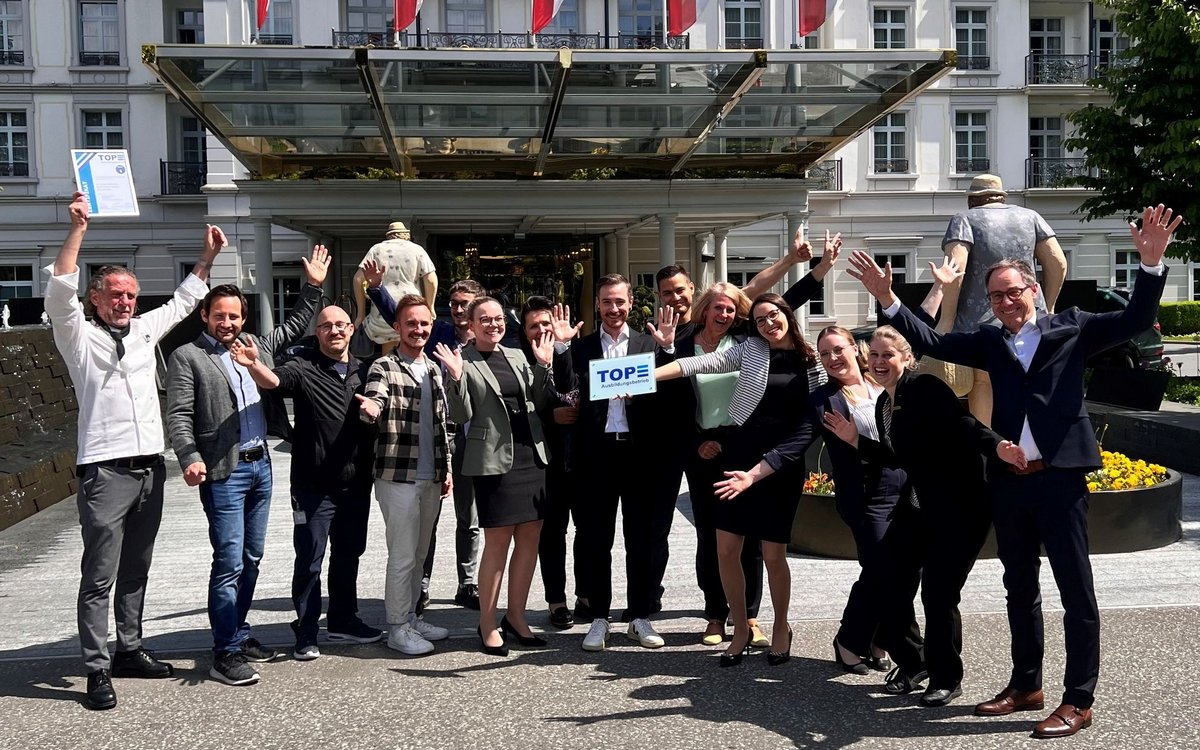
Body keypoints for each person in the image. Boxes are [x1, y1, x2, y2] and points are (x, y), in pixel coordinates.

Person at [847, 203, 1181, 738]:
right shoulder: (989, 341)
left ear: (1033, 289)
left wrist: (1150, 264)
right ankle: (1026, 684)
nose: (1005, 303)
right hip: (1009, 482)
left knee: (1075, 590)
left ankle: (1079, 699)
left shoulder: (1073, 327)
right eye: (996, 296)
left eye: (1012, 292)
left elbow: (1136, 320)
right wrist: (888, 299)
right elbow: (932, 341)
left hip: (1060, 477)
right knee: (1018, 587)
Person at [45, 192, 224, 710]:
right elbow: (59, 291)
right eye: (116, 294)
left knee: (137, 568)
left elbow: (184, 302)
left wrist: (207, 257)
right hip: (105, 472)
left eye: (131, 295)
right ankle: (96, 667)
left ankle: (129, 648)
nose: (125, 302)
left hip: (150, 470)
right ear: (96, 298)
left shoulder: (145, 331)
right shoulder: (78, 337)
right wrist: (78, 229)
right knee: (99, 575)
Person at [823, 324, 1021, 707]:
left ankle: (946, 677)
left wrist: (998, 447)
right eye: (874, 355)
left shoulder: (925, 388)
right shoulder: (884, 404)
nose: (880, 362)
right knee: (888, 578)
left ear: (907, 358)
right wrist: (855, 440)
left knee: (937, 593)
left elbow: (965, 424)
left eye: (888, 355)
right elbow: (897, 455)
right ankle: (915, 662)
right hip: (918, 506)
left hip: (961, 508)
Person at [166, 247, 327, 686]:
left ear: (243, 318)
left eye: (234, 316)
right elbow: (178, 415)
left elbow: (295, 325)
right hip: (224, 471)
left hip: (261, 467)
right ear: (204, 315)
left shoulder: (254, 346)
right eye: (219, 315)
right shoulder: (188, 357)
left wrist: (313, 287)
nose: (228, 323)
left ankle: (237, 632)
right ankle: (225, 652)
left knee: (252, 558)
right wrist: (189, 457)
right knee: (229, 561)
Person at [655, 293, 819, 667]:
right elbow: (697, 363)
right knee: (726, 550)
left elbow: (811, 423)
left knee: (773, 555)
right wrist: (644, 377)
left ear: (786, 314)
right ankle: (741, 628)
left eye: (773, 315)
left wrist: (769, 465)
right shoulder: (751, 350)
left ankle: (780, 626)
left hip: (780, 467)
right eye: (759, 320)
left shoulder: (811, 360)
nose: (768, 324)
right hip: (737, 459)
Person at [229, 304, 384, 661]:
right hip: (313, 486)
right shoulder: (303, 366)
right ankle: (306, 629)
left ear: (351, 329)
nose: (335, 331)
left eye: (341, 325)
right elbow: (274, 381)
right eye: (326, 326)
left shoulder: (366, 370)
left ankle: (344, 619)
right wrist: (253, 365)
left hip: (356, 483)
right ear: (317, 332)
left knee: (349, 553)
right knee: (311, 559)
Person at [554, 273, 677, 651]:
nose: (613, 308)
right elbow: (566, 387)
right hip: (597, 455)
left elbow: (667, 395)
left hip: (639, 455)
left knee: (640, 539)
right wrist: (561, 347)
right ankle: (599, 617)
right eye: (607, 301)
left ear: (631, 303)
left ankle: (639, 615)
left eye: (620, 301)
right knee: (596, 539)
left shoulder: (648, 343)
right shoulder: (583, 346)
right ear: (597, 305)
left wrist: (668, 350)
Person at [434, 297, 557, 655]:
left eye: (498, 318)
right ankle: (487, 622)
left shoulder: (517, 355)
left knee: (530, 538)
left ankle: (516, 617)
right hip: (493, 461)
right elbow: (460, 414)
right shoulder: (464, 360)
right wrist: (456, 378)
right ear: (471, 325)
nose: (493, 324)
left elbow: (538, 401)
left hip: (530, 455)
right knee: (498, 543)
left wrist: (543, 366)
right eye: (484, 319)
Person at [365, 270, 485, 612]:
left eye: (465, 304)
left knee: (470, 519)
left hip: (473, 440)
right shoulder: (438, 335)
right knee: (422, 527)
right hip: (435, 440)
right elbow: (404, 317)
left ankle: (467, 583)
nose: (458, 310)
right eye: (454, 304)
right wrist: (377, 289)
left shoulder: (487, 339)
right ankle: (420, 589)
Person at [357, 295, 454, 656]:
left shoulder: (434, 369)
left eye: (424, 323)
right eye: (411, 323)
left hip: (431, 475)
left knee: (420, 552)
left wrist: (446, 469)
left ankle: (412, 617)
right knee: (402, 555)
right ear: (397, 328)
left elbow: (442, 424)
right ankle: (397, 627)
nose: (418, 329)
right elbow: (376, 397)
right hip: (398, 475)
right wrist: (371, 408)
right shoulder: (384, 366)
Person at [674, 282, 766, 647]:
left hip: (742, 447)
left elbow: (780, 304)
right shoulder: (683, 343)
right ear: (705, 310)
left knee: (749, 536)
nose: (724, 314)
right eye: (718, 308)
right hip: (701, 451)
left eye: (730, 309)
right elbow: (673, 405)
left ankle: (751, 616)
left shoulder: (747, 340)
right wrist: (696, 443)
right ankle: (715, 614)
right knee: (710, 536)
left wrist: (802, 264)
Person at [811, 325, 907, 675]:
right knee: (880, 569)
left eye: (838, 349)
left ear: (855, 348)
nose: (832, 358)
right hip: (867, 497)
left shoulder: (882, 382)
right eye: (824, 354)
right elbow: (797, 439)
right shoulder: (825, 399)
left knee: (901, 570)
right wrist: (758, 469)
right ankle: (849, 640)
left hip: (903, 489)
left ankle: (878, 640)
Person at [936, 174, 1068, 423]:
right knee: (1032, 385)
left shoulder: (964, 219)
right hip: (1030, 321)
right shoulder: (1031, 217)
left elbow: (956, 269)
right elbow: (1058, 262)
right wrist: (1048, 307)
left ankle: (990, 445)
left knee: (984, 386)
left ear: (972, 200)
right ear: (1001, 197)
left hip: (981, 326)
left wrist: (946, 320)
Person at [519, 297, 582, 630]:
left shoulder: (574, 351)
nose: (542, 329)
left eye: (547, 323)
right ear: (524, 332)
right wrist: (549, 417)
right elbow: (517, 412)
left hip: (584, 461)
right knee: (553, 534)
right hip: (545, 464)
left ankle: (587, 595)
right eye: (534, 325)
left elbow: (577, 389)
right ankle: (556, 600)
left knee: (588, 532)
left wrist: (563, 347)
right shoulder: (518, 362)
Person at [352, 221, 438, 348]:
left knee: (388, 347)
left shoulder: (376, 249)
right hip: (411, 306)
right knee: (413, 343)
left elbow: (358, 279)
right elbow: (431, 280)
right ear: (405, 234)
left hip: (382, 307)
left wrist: (360, 314)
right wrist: (430, 307)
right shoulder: (416, 249)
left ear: (389, 235)